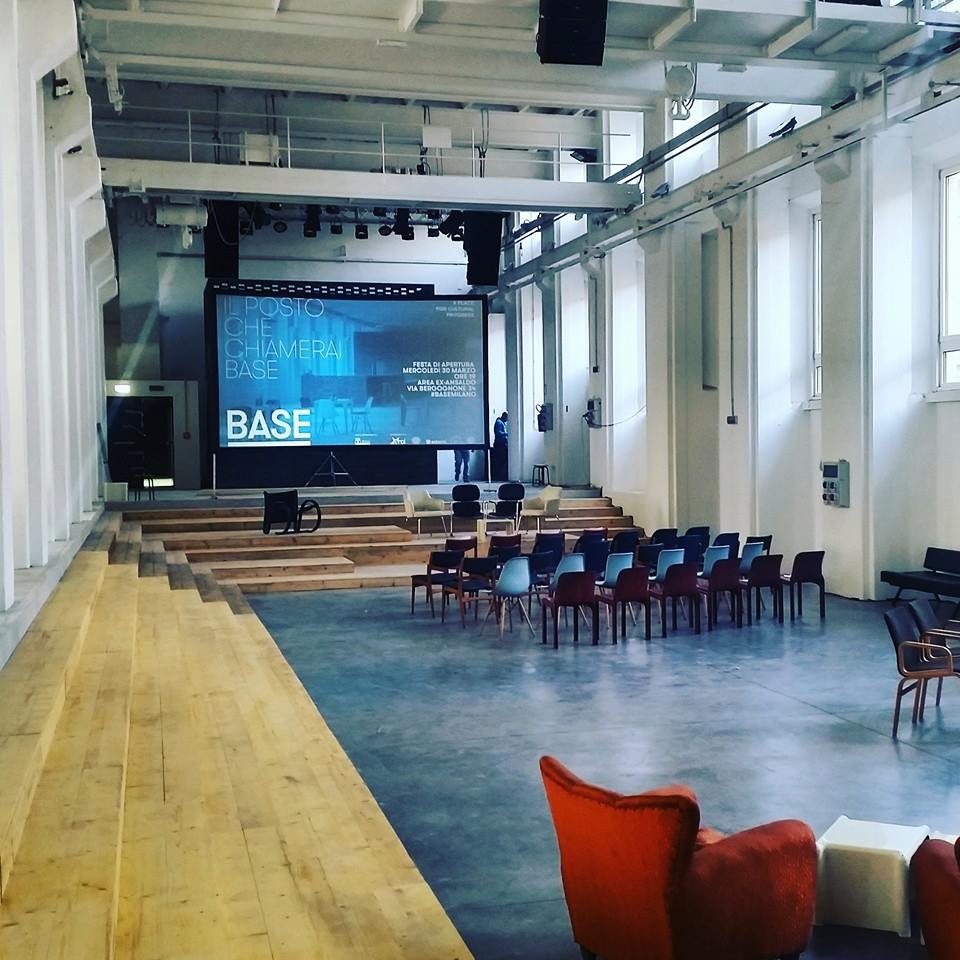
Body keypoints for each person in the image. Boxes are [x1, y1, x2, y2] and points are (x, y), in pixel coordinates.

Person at [491, 410, 508, 481]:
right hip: (500, 444)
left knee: (502, 460)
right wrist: (506, 434)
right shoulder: (499, 423)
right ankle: (500, 476)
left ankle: (502, 475)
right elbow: (498, 432)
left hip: (501, 444)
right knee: (501, 460)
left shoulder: (502, 423)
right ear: (504, 416)